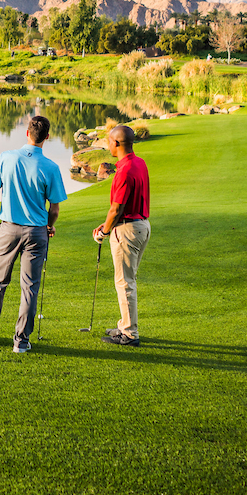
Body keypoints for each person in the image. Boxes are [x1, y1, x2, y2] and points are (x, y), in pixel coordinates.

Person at [0, 115, 67, 353]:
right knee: (29, 287)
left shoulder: (6, 157)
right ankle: (21, 341)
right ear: (47, 137)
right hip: (37, 233)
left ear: (27, 133)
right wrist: (49, 226)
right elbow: (55, 209)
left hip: (7, 229)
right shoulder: (51, 167)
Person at [92, 124, 151, 347]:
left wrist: (105, 231)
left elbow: (116, 209)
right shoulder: (139, 163)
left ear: (116, 143)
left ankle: (129, 334)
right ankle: (125, 323)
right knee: (127, 280)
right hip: (141, 225)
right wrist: (108, 225)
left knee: (125, 283)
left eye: (109, 141)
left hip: (128, 230)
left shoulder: (124, 171)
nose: (108, 144)